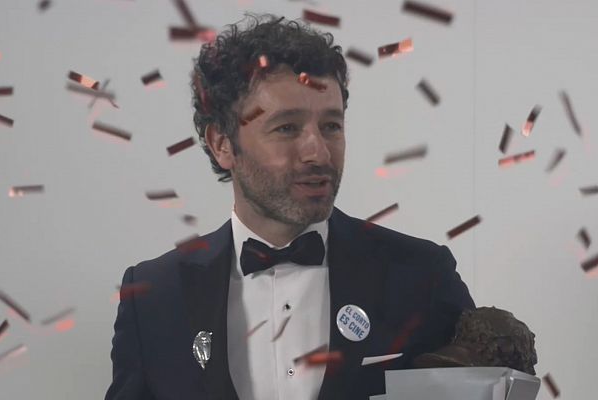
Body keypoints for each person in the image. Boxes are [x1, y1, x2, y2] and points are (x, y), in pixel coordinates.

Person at [105, 14, 474, 400]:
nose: (318, 153)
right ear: (222, 144)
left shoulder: (422, 275)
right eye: (287, 128)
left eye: (331, 126)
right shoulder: (154, 297)